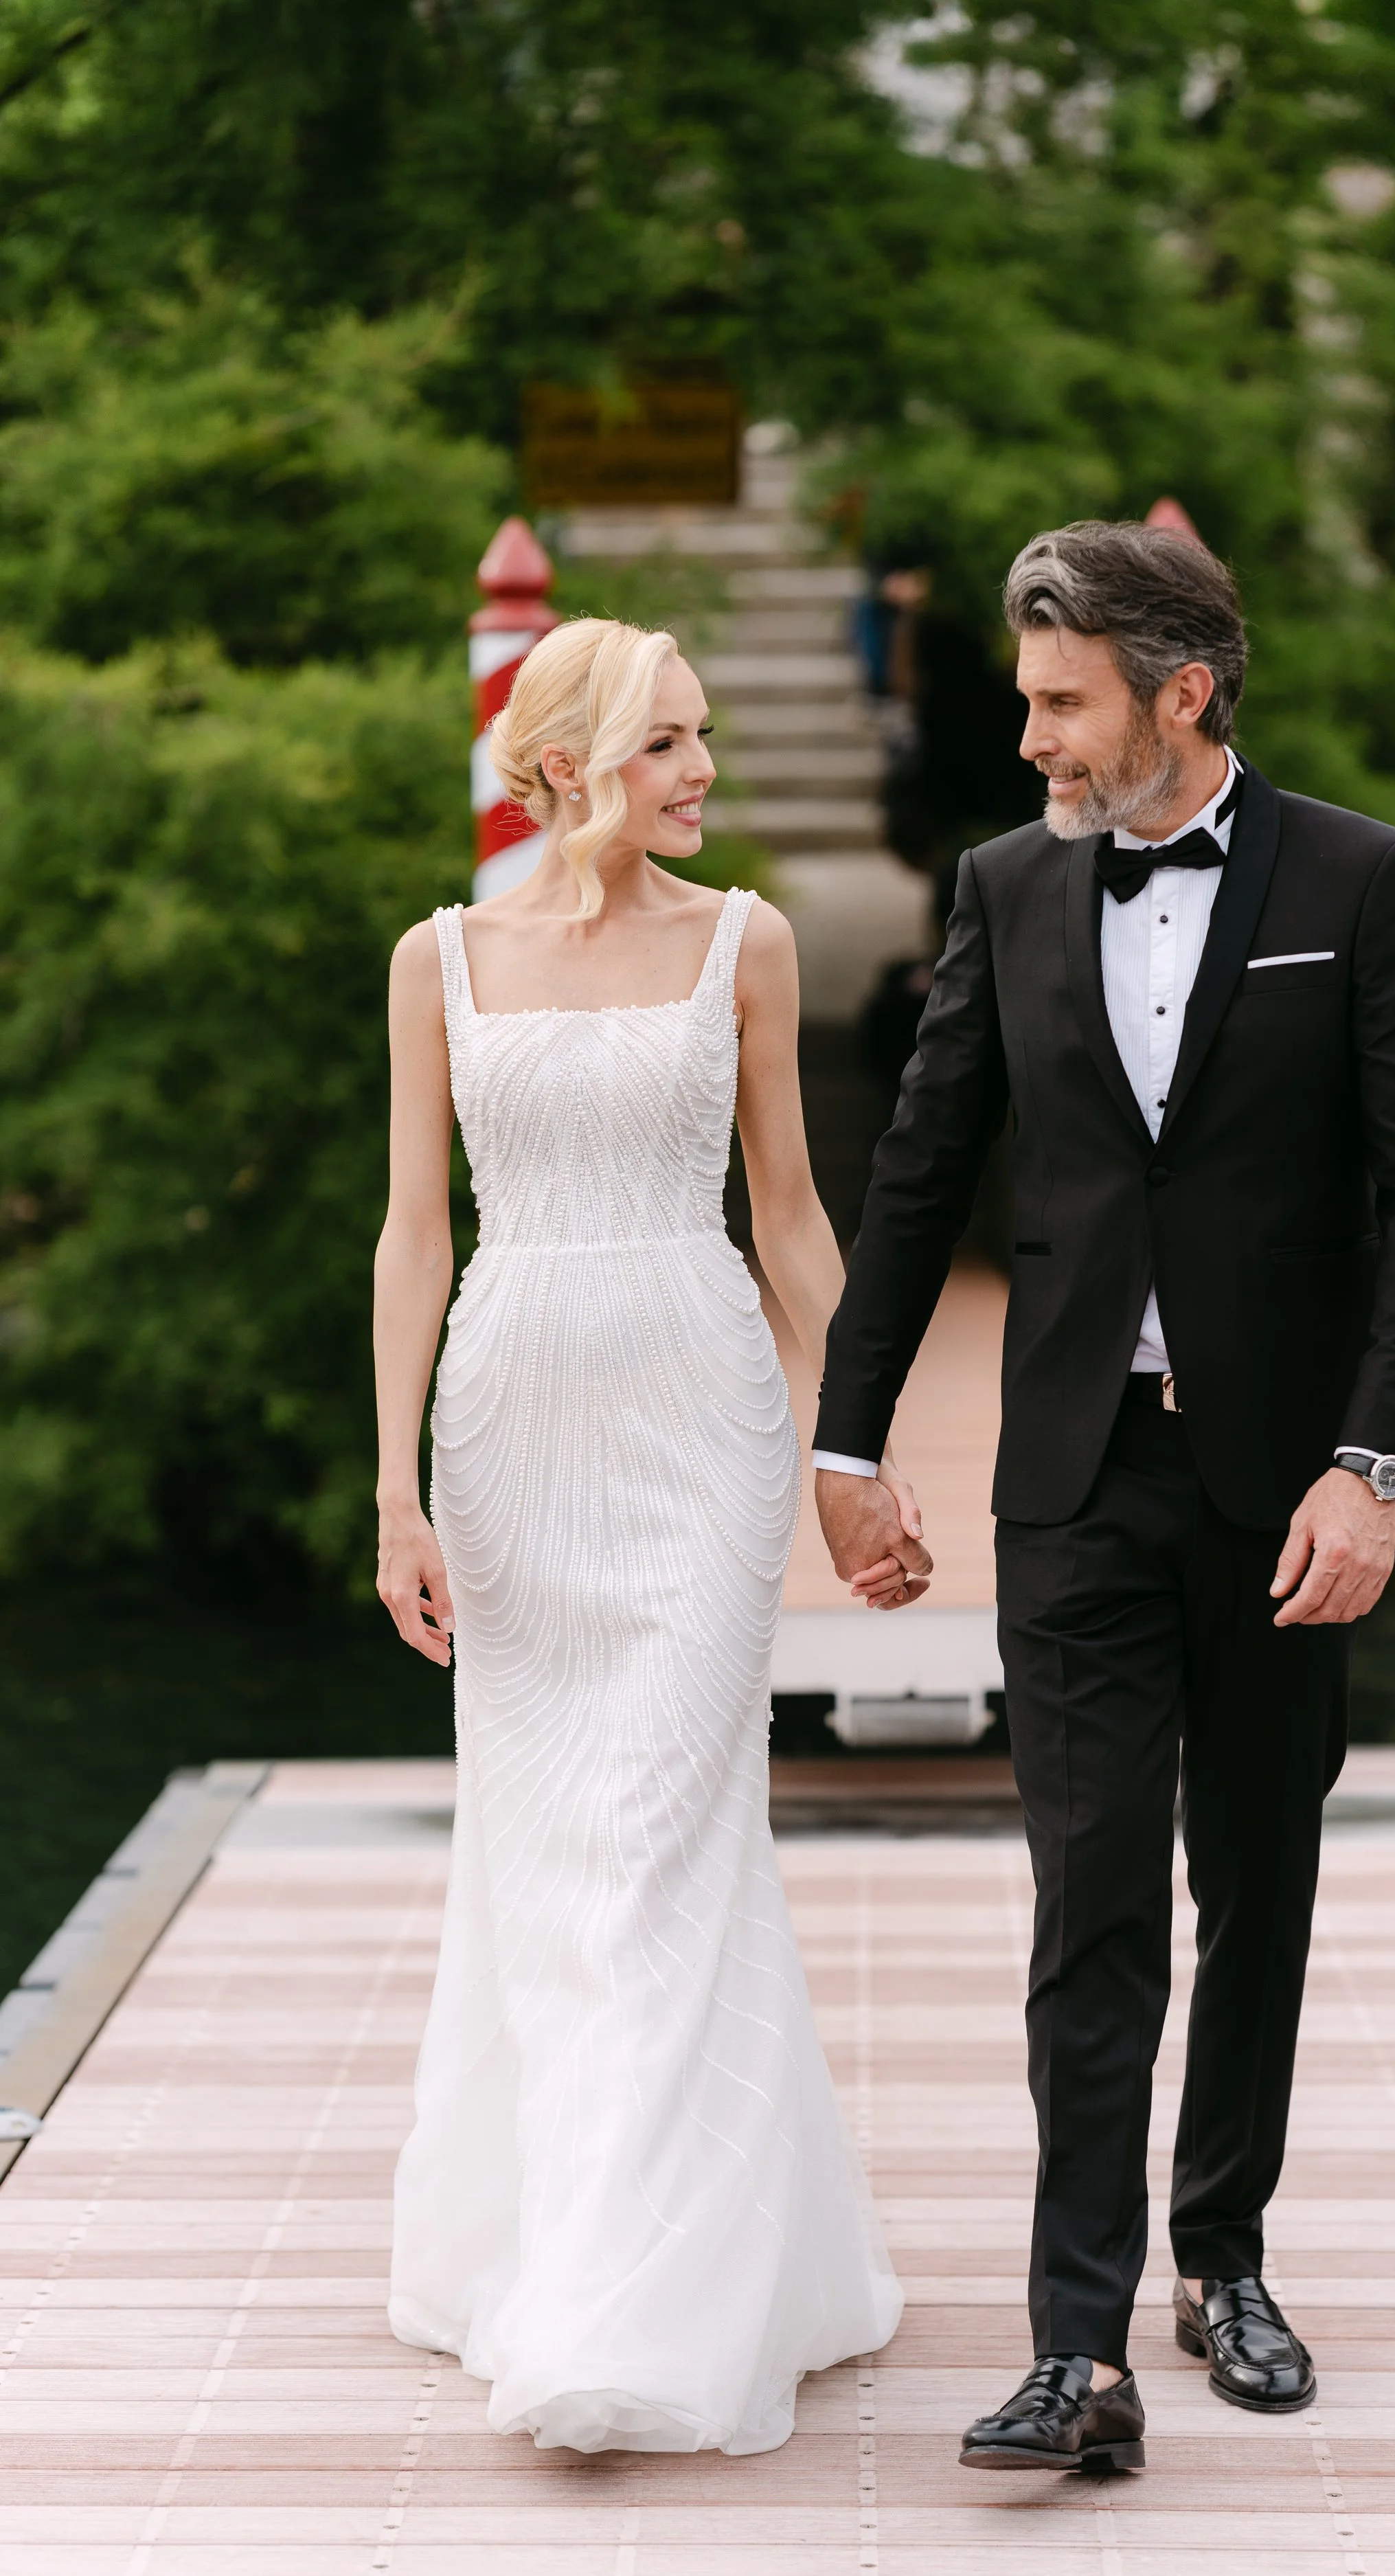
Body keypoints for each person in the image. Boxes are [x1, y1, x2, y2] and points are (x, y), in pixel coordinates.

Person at [811, 521, 1395, 2472]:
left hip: (1286, 1484)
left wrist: (1371, 1464)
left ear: (1178, 694)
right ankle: (1074, 2340)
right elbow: (922, 1170)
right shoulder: (1005, 889)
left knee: (1251, 1876)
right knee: (1087, 1899)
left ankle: (1225, 2253)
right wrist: (849, 1447)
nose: (1027, 740)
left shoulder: (1363, 880)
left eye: (1056, 701)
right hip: (1076, 1478)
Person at [373, 616, 906, 2456]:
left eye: (700, 739)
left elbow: (789, 1214)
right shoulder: (437, 958)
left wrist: (856, 1438)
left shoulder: (742, 943)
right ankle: (557, 2237)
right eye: (670, 741)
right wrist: (394, 1488)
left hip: (699, 1425)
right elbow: (414, 1236)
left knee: (669, 1830)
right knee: (543, 1845)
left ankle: (627, 2304)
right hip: (512, 1424)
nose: (700, 773)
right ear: (579, 755)